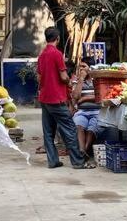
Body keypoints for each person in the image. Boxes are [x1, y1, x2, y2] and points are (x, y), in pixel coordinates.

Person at [37, 27, 94, 169]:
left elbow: (39, 77)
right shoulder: (57, 54)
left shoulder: (42, 55)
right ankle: (78, 162)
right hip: (57, 98)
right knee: (69, 129)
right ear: (57, 38)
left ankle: (53, 161)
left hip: (44, 98)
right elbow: (63, 76)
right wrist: (68, 81)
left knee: (48, 131)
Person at [71, 60, 102, 158]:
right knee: (79, 126)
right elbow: (75, 97)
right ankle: (82, 150)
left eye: (84, 66)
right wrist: (81, 79)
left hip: (97, 111)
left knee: (91, 129)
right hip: (82, 112)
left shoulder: (97, 80)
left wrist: (85, 98)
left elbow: (100, 96)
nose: (81, 69)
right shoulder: (77, 81)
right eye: (80, 67)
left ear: (90, 68)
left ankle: (85, 149)